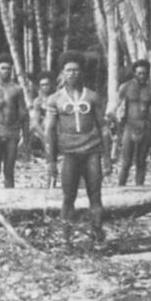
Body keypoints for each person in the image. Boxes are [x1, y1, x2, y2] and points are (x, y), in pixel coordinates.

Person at [45, 50, 110, 245]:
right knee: (68, 197)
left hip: (91, 152)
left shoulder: (93, 97)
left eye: (76, 70)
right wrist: (51, 162)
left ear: (82, 72)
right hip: (70, 154)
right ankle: (66, 239)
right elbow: (49, 131)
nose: (72, 73)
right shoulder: (55, 99)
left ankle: (98, 236)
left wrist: (107, 158)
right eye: (68, 70)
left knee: (95, 196)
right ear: (62, 74)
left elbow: (104, 127)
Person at [110, 59, 151, 186]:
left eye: (145, 73)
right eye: (139, 73)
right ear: (134, 73)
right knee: (126, 161)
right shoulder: (125, 87)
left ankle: (139, 188)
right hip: (129, 126)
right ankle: (120, 187)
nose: (142, 76)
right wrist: (116, 127)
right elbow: (117, 107)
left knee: (141, 160)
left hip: (145, 126)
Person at [0, 55, 30, 188]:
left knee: (9, 169)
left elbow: (23, 114)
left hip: (12, 132)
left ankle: (11, 203)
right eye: (3, 68)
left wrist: (26, 138)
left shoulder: (17, 89)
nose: (6, 71)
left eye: (9, 68)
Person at [28, 71, 55, 157]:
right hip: (45, 129)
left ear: (51, 84)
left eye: (47, 84)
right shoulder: (38, 101)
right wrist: (44, 136)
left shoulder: (58, 97)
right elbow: (35, 122)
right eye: (42, 85)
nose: (45, 87)